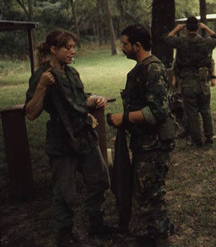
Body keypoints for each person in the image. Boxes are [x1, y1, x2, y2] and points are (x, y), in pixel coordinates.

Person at [24, 29, 111, 246]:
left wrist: (95, 100)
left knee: (99, 178)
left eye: (73, 47)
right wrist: (42, 86)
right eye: (68, 47)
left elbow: (79, 101)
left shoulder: (72, 73)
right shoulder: (42, 76)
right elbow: (31, 112)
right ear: (53, 49)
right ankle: (64, 233)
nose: (73, 51)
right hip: (62, 138)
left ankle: (96, 221)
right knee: (65, 190)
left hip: (83, 133)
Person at [108, 24, 176, 246]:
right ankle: (151, 235)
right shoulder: (142, 68)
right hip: (144, 143)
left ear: (137, 46)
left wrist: (125, 118)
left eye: (125, 43)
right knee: (145, 193)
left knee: (152, 196)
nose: (122, 47)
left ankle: (160, 238)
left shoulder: (152, 69)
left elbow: (158, 111)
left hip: (153, 145)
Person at [164, 17, 216, 147]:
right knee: (205, 110)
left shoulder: (181, 41)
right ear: (198, 28)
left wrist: (176, 29)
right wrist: (206, 28)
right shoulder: (205, 42)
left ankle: (197, 140)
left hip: (188, 81)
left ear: (186, 28)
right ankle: (209, 136)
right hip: (202, 80)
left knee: (192, 112)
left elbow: (167, 39)